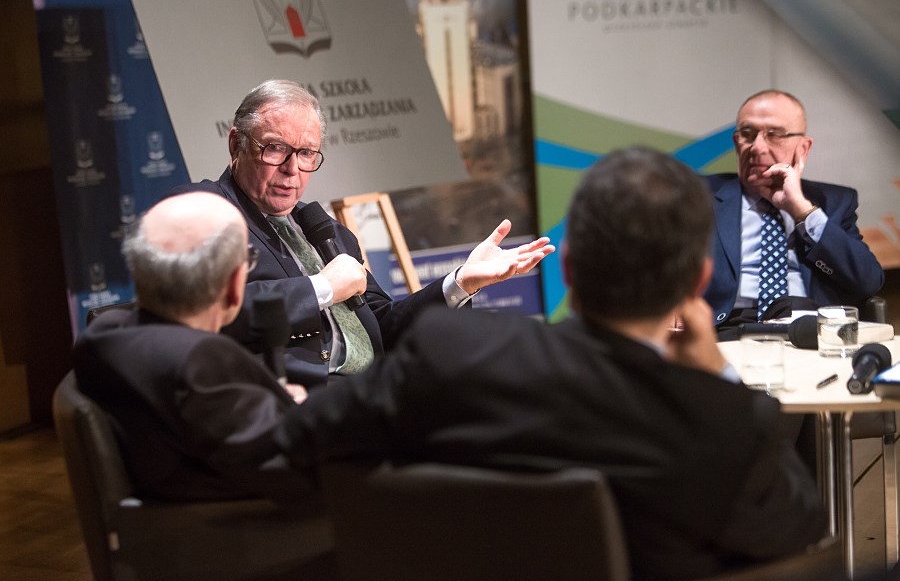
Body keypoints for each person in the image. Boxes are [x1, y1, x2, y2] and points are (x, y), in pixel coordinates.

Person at [276, 147, 828, 581]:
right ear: (698, 283)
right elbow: (799, 527)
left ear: (567, 269)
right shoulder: (724, 419)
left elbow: (305, 438)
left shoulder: (448, 353)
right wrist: (719, 377)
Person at [174, 79, 553, 388]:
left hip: (370, 396)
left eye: (306, 153)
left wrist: (461, 282)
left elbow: (384, 327)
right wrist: (322, 288)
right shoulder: (203, 210)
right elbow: (205, 310)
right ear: (236, 144)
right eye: (275, 148)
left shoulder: (326, 233)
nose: (292, 169)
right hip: (291, 402)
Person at [73, 192, 310, 502]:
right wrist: (301, 413)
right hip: (241, 519)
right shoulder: (201, 361)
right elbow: (292, 468)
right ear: (233, 284)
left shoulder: (105, 333)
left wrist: (264, 406)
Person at [705, 89, 883, 337]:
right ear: (737, 142)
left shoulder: (834, 201)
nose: (757, 147)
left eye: (775, 135)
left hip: (810, 331)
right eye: (747, 134)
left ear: (803, 148)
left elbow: (867, 281)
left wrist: (802, 209)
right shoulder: (699, 195)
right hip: (727, 330)